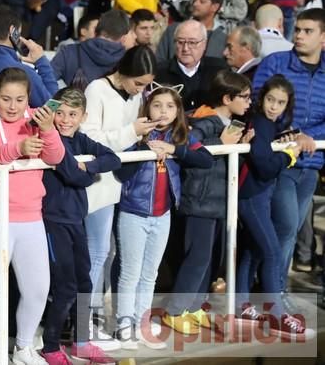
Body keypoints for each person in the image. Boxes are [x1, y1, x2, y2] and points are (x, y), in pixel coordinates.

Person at [0, 67, 65, 365]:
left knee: (38, 288)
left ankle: (23, 348)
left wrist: (48, 129)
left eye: (20, 99)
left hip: (31, 215)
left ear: (28, 98)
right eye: (6, 98)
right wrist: (17, 148)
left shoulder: (36, 118)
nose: (13, 106)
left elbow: (56, 157)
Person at [113, 85, 212, 349]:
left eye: (170, 106)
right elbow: (121, 174)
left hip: (163, 214)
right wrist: (142, 146)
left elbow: (206, 159)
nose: (163, 111)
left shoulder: (181, 135)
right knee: (130, 272)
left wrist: (173, 150)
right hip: (133, 211)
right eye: (157, 105)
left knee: (150, 273)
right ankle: (124, 324)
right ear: (147, 108)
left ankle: (142, 322)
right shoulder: (136, 133)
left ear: (178, 110)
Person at [162, 71, 252, 335]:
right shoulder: (205, 122)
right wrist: (220, 143)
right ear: (227, 97)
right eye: (244, 97)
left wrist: (241, 146)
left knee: (211, 258)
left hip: (218, 202)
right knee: (197, 258)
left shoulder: (230, 123)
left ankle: (194, 306)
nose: (249, 102)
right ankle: (175, 310)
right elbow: (190, 152)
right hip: (200, 202)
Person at [80, 45, 157, 350]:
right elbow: (89, 139)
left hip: (119, 184)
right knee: (95, 254)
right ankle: (83, 324)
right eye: (138, 83)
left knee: (107, 254)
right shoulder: (97, 90)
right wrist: (130, 131)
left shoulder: (135, 96)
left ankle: (92, 319)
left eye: (145, 85)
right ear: (124, 72)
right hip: (96, 184)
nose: (141, 90)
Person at [251, 8, 325, 307]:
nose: (300, 35)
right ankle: (273, 296)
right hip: (278, 161)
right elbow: (258, 104)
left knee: (290, 231)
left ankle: (273, 291)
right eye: (298, 29)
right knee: (285, 226)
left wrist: (309, 136)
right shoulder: (276, 62)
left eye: (308, 31)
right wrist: (294, 133)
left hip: (311, 163)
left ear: (323, 37)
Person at [41, 87, 120, 365]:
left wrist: (92, 166)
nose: (64, 119)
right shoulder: (47, 138)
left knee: (84, 282)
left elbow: (113, 158)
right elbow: (72, 175)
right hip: (51, 221)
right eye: (59, 113)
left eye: (72, 114)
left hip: (75, 220)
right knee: (64, 285)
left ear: (83, 116)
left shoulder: (82, 139)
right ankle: (50, 346)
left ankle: (82, 342)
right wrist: (89, 176)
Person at [235, 75, 314, 338]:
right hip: (251, 196)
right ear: (262, 98)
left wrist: (294, 138)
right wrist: (288, 155)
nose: (273, 106)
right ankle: (277, 315)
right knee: (271, 252)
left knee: (253, 250)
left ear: (287, 105)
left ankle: (241, 305)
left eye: (280, 102)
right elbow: (264, 164)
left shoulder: (270, 124)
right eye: (270, 99)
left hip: (258, 195)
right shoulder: (260, 122)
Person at [155, 19, 227, 112]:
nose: (185, 49)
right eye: (180, 42)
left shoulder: (219, 70)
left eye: (192, 43)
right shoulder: (159, 73)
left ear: (204, 44)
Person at [51, 9, 133, 90]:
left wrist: (59, 102)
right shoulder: (129, 62)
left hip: (71, 101)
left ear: (97, 30)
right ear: (123, 38)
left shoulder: (69, 52)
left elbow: (46, 81)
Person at [156, 0, 228, 62]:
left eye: (202, 1)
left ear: (215, 7)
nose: (195, 4)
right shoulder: (173, 29)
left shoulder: (223, 39)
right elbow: (159, 60)